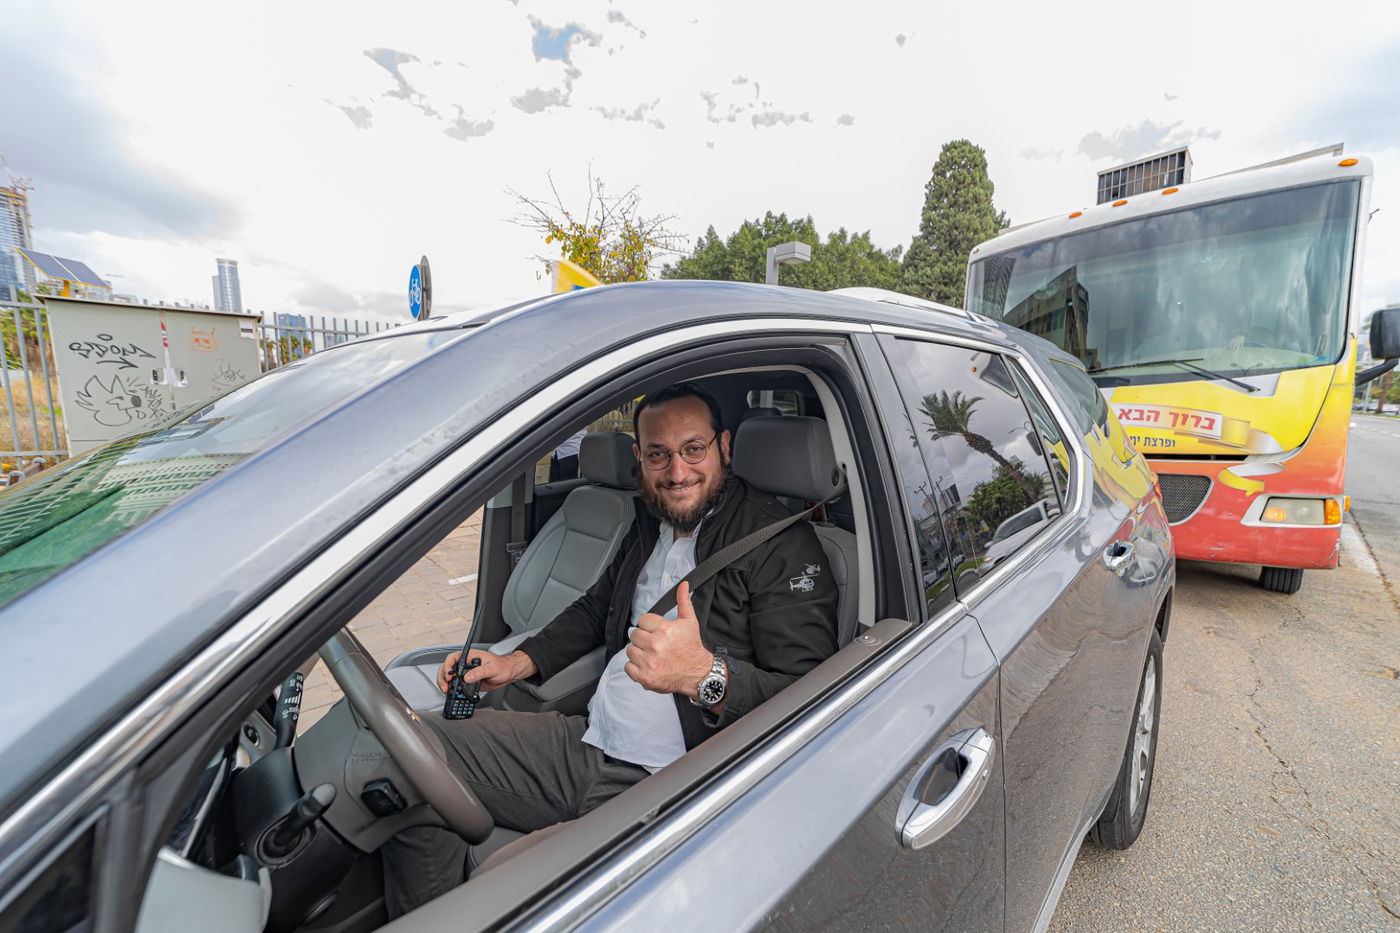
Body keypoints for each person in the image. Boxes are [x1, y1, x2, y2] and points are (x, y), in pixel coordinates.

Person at [381, 383, 839, 917]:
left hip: (668, 780)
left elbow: (811, 702)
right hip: (588, 741)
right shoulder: (653, 519)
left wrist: (703, 674)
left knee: (511, 905)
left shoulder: (780, 545)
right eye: (658, 454)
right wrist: (515, 662)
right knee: (411, 756)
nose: (677, 472)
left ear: (725, 448)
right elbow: (599, 607)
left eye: (693, 449)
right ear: (638, 458)